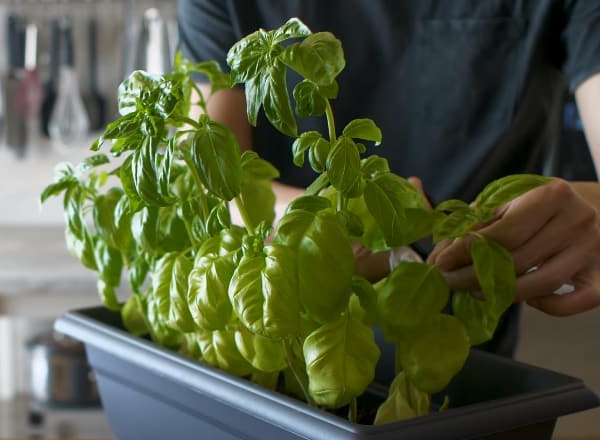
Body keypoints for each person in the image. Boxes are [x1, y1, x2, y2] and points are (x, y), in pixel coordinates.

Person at [177, 0, 600, 356]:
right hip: (275, 352)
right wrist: (369, 223)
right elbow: (215, 181)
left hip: (460, 363)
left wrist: (593, 210)